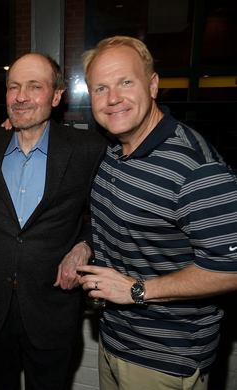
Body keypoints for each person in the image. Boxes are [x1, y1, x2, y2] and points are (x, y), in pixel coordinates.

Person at [77, 36, 237, 390]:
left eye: (125, 82)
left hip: (166, 359)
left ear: (153, 85)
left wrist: (137, 290)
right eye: (100, 88)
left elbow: (231, 271)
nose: (112, 98)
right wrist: (85, 245)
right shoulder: (113, 150)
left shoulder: (196, 168)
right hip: (115, 339)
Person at [0, 53, 107, 389]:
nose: (21, 97)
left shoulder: (88, 150)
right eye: (13, 87)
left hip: (52, 310)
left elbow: (105, 217)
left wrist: (84, 246)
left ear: (56, 96)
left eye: (35, 87)